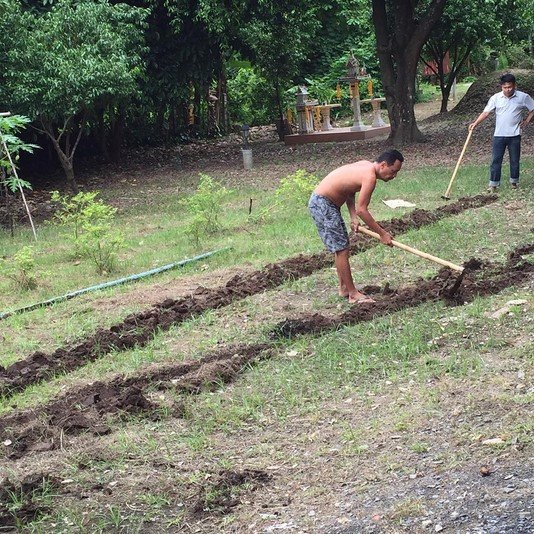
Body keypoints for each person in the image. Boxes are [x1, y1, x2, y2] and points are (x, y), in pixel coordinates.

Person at [308, 149, 404, 304]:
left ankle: (344, 288)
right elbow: (362, 210)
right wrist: (382, 233)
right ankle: (353, 294)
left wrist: (352, 216)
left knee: (341, 247)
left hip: (325, 203)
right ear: (384, 165)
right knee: (342, 249)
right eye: (393, 171)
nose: (394, 176)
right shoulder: (370, 177)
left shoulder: (365, 165)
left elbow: (350, 190)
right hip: (323, 204)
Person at [469, 73, 534, 192]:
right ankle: (493, 184)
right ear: (501, 86)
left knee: (514, 160)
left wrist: (527, 120)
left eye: (510, 87)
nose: (508, 90)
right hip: (499, 135)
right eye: (505, 87)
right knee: (496, 160)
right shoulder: (495, 98)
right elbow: (486, 112)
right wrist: (475, 123)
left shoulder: (523, 97)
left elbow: (533, 109)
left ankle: (514, 182)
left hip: (514, 135)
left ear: (514, 85)